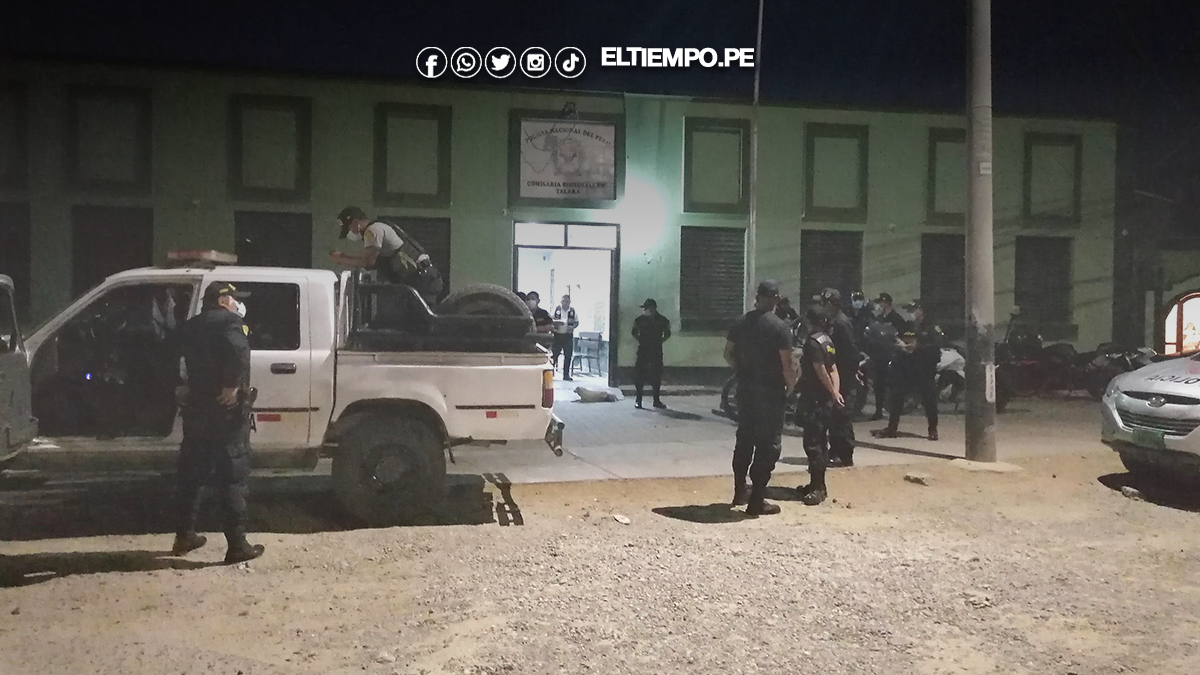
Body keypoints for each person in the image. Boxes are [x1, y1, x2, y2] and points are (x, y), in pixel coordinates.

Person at [173, 282, 264, 564]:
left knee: (192, 475)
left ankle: (184, 535)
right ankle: (237, 546)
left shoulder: (191, 325)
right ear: (223, 301)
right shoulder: (230, 323)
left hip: (198, 409)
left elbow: (178, 360)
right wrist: (232, 385)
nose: (238, 304)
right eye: (235, 299)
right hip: (225, 413)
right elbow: (238, 353)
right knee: (232, 475)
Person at [724, 280, 799, 516]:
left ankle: (739, 490)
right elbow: (787, 364)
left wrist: (741, 371)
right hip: (770, 392)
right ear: (775, 299)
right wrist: (790, 387)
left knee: (744, 438)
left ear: (758, 297)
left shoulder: (740, 322)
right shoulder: (780, 328)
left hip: (745, 390)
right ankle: (756, 500)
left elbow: (727, 354)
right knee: (768, 445)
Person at [330, 206, 444, 305]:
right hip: (423, 278)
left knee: (416, 320)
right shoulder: (379, 226)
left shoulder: (372, 231)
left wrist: (341, 259)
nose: (350, 233)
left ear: (355, 223)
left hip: (423, 280)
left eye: (349, 229)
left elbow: (368, 263)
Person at [873, 299, 942, 441]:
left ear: (921, 310)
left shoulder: (931, 327)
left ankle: (933, 429)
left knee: (929, 400)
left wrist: (918, 348)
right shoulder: (908, 326)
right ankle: (892, 428)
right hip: (907, 368)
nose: (911, 313)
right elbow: (897, 340)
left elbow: (936, 348)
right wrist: (899, 347)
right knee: (897, 397)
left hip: (923, 369)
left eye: (913, 310)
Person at [795, 305, 843, 506]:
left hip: (814, 399)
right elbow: (833, 369)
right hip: (824, 399)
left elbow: (820, 369)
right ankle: (816, 483)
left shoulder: (812, 343)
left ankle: (818, 488)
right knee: (821, 441)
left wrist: (832, 392)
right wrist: (835, 392)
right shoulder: (827, 340)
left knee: (813, 444)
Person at [813, 288, 858, 467]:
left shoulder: (841, 323)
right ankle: (834, 450)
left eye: (823, 303)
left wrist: (848, 375)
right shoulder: (830, 321)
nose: (822, 307)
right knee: (833, 416)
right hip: (835, 374)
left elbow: (849, 352)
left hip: (843, 376)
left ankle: (844, 454)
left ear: (831, 304)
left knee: (842, 416)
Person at [866, 292, 910, 421]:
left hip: (892, 356)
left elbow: (901, 337)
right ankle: (879, 410)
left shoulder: (896, 318)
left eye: (881, 303)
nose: (879, 306)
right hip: (879, 355)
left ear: (886, 303)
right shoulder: (879, 318)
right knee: (878, 385)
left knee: (892, 385)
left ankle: (893, 412)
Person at [632, 298, 671, 409]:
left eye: (647, 308)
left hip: (656, 351)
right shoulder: (639, 320)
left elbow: (667, 333)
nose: (645, 310)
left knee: (656, 375)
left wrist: (659, 342)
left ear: (653, 308)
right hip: (643, 350)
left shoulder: (662, 320)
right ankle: (638, 400)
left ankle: (656, 400)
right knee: (639, 375)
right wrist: (641, 340)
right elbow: (634, 332)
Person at [552, 295, 579, 380]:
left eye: (567, 302)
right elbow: (551, 320)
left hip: (568, 336)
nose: (565, 303)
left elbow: (576, 322)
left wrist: (572, 327)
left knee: (568, 355)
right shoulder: (556, 310)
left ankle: (566, 375)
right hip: (557, 335)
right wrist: (557, 323)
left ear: (569, 302)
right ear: (561, 302)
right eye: (563, 301)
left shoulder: (572, 311)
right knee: (554, 355)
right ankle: (550, 373)